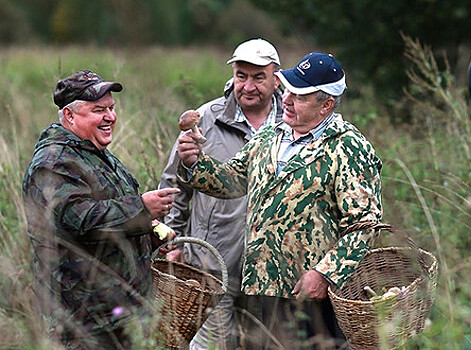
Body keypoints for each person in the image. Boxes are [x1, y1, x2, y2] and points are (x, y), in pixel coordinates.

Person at [176, 52, 383, 349]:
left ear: (326, 105)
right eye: (287, 89)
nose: (286, 99)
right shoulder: (270, 136)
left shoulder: (348, 147)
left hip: (308, 294)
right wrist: (195, 163)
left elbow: (364, 225)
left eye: (299, 96)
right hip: (258, 285)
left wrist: (324, 274)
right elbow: (234, 179)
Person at [22, 70, 180, 349]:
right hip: (82, 324)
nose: (110, 117)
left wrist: (151, 238)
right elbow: (81, 219)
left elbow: (111, 226)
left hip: (120, 317)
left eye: (111, 108)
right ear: (70, 116)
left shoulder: (96, 154)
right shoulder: (54, 162)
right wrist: (143, 208)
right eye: (98, 110)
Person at [159, 38, 283, 350]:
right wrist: (171, 240)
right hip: (212, 266)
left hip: (271, 274)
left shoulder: (291, 121)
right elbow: (175, 184)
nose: (248, 86)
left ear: (276, 78)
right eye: (242, 76)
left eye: (258, 77)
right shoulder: (207, 120)